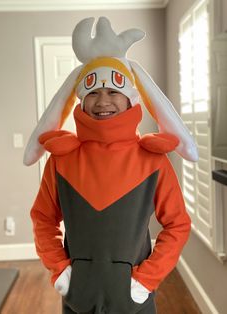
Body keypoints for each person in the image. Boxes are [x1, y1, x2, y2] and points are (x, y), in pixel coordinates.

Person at [24, 17, 197, 314]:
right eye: (92, 92)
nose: (103, 100)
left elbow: (177, 224)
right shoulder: (61, 160)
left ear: (130, 99)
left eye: (114, 91)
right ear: (81, 100)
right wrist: (61, 272)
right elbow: (42, 218)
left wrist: (146, 280)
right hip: (77, 297)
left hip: (135, 299)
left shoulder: (152, 159)